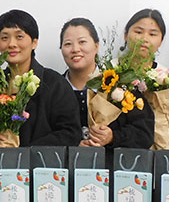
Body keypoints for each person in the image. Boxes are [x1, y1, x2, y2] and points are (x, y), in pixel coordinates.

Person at [60, 17, 154, 159]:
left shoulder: (120, 85)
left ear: (96, 46)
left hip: (114, 168)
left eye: (82, 42)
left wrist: (113, 137)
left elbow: (144, 134)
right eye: (68, 44)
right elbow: (43, 134)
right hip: (65, 169)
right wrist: (72, 144)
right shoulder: (55, 89)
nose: (75, 49)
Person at [0, 9, 81, 147]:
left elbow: (70, 133)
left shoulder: (54, 84)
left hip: (41, 161)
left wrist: (26, 151)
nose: (11, 44)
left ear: (34, 42)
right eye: (4, 38)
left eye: (19, 36)